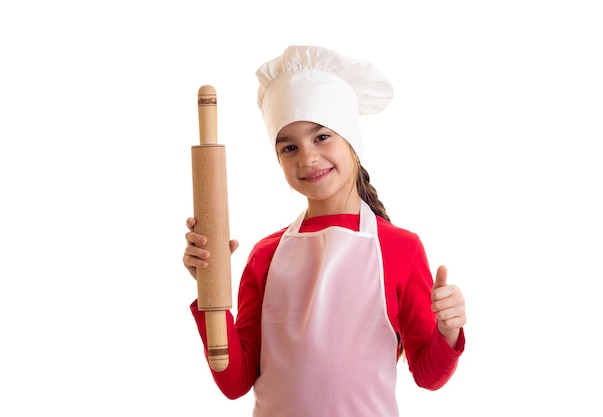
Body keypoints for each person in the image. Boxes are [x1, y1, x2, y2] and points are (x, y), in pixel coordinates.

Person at [183, 45, 466, 417]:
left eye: (321, 137)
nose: (307, 157)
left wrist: (448, 330)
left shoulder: (400, 248)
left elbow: (428, 376)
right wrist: (210, 287)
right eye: (289, 147)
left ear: (351, 141)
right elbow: (234, 382)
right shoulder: (266, 255)